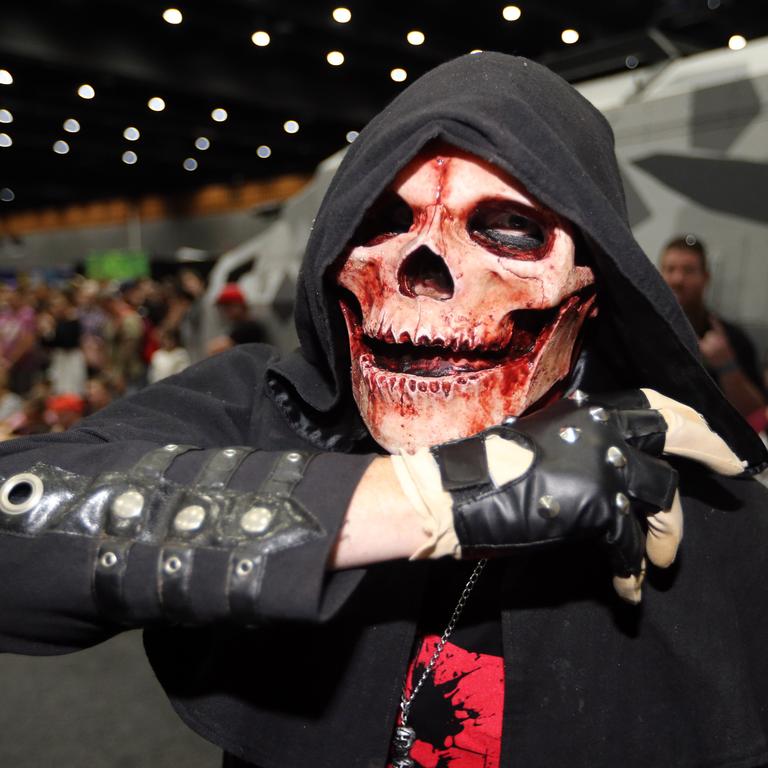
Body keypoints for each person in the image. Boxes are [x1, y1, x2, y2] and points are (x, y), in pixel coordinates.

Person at [0, 53, 767, 768]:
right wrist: (427, 501)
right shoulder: (265, 407)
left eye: (507, 227)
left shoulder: (681, 488)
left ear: (591, 286)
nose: (422, 265)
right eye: (382, 221)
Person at [659, 235, 767, 429]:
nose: (677, 279)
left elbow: (756, 413)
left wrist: (727, 365)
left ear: (705, 277)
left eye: (688, 270)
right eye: (670, 269)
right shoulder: (643, 331)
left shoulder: (731, 339)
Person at [206, 282, 268, 356]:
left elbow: (215, 348)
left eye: (228, 305)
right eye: (223, 306)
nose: (225, 311)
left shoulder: (249, 326)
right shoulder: (237, 325)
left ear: (239, 305)